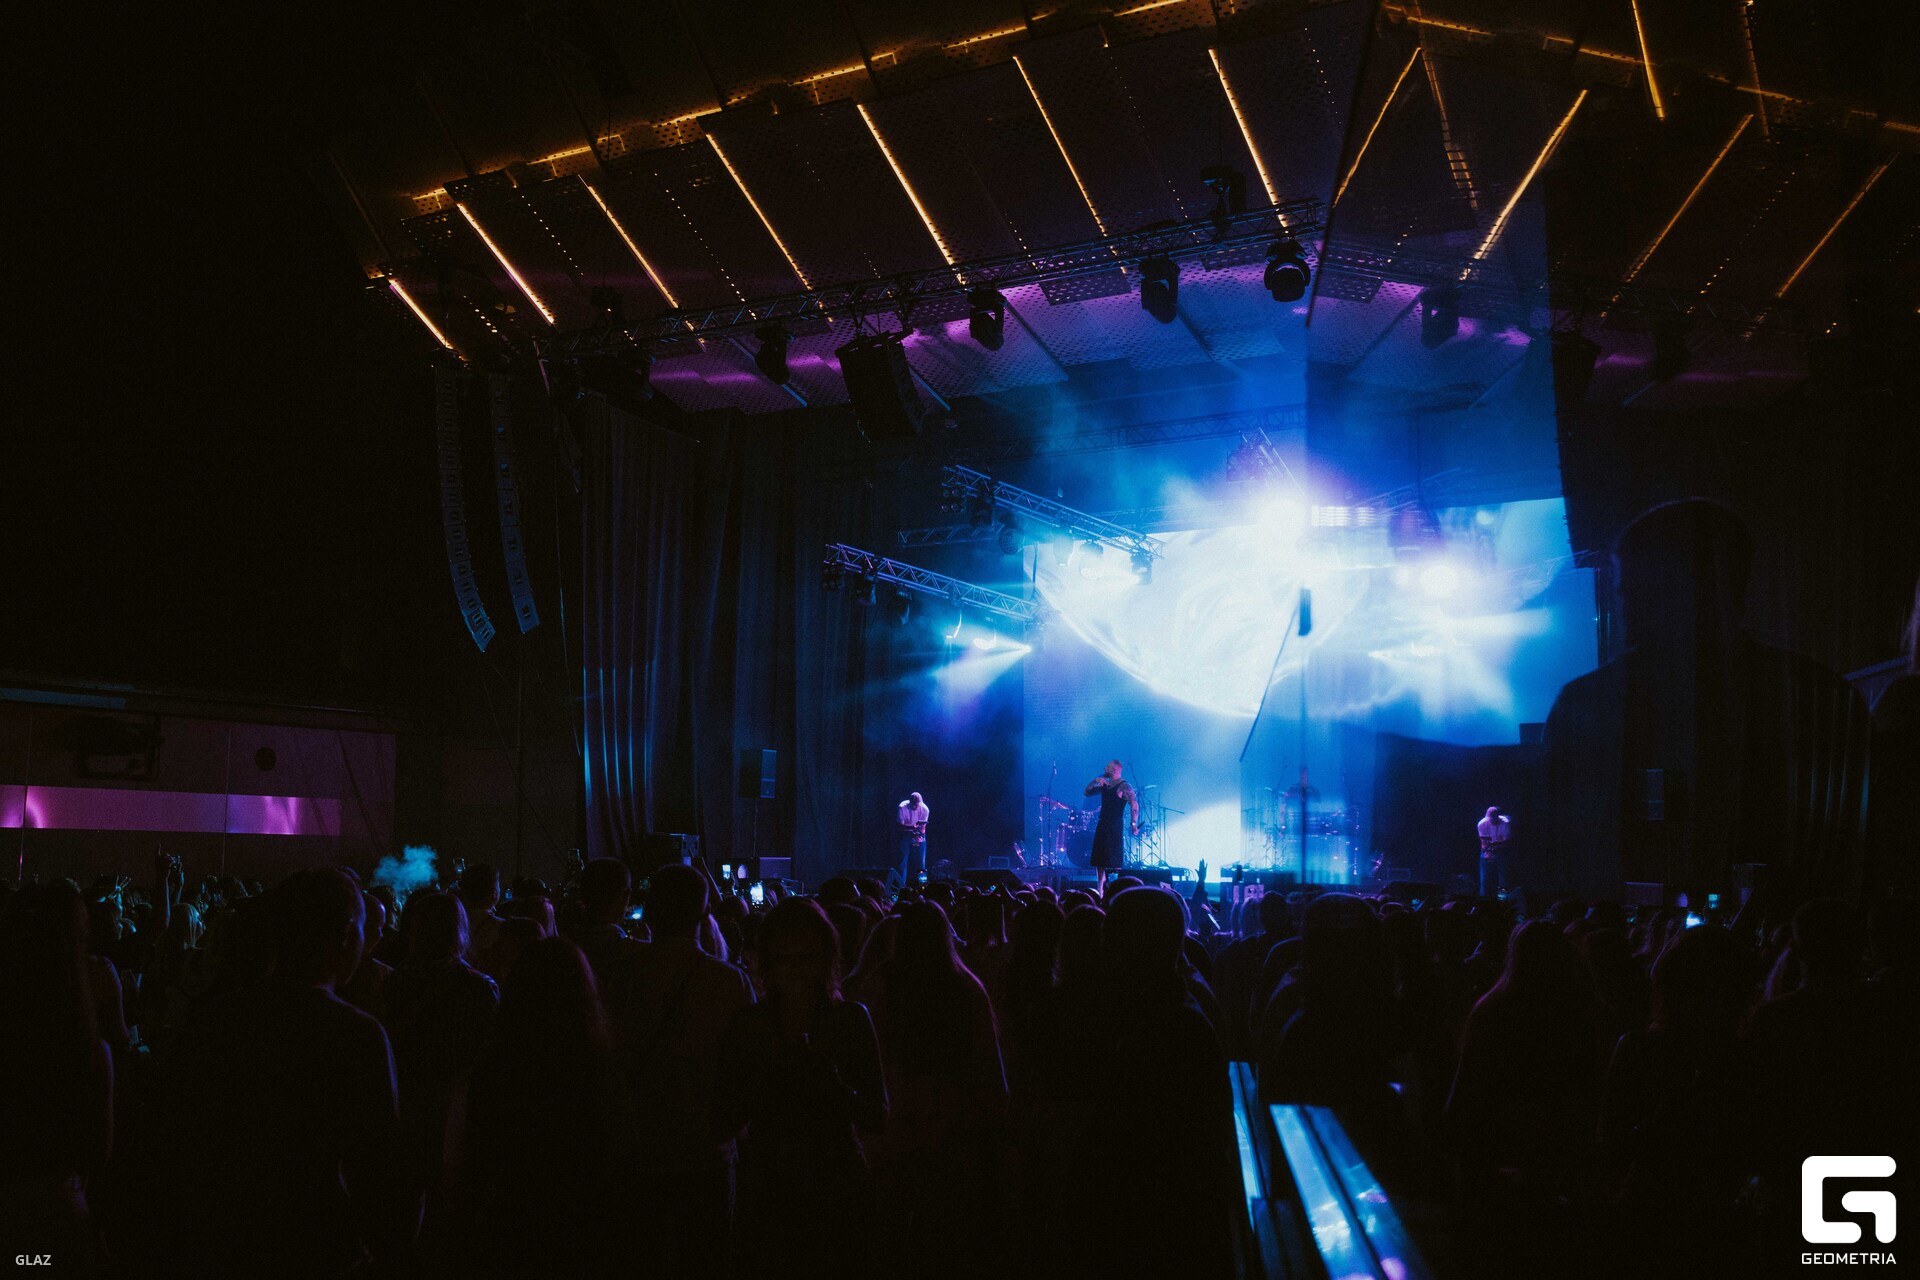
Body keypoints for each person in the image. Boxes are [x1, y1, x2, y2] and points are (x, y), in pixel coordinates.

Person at [442, 936, 642, 1279]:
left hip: (506, 1233)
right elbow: (623, 1155)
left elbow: (460, 1169)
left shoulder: (487, 1077)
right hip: (585, 1232)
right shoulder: (601, 1073)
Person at [715, 899, 887, 1280]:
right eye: (784, 959)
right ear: (768, 962)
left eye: (804, 958)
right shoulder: (749, 1025)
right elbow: (721, 1119)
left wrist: (833, 1087)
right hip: (772, 1191)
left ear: (824, 959)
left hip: (832, 1186)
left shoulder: (849, 1020)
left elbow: (878, 1115)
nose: (794, 970)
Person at [1082, 761, 1139, 893]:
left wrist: (1133, 824)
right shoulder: (1105, 785)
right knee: (1099, 858)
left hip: (1114, 824)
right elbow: (1087, 792)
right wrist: (1094, 781)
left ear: (1114, 770)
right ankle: (1100, 888)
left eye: (1107, 767)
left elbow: (1134, 805)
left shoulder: (1124, 786)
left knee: (1114, 857)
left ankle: (1117, 889)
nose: (1104, 768)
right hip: (1102, 823)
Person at [1476, 805, 1512, 899]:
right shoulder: (1481, 824)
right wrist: (1487, 853)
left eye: (1493, 819)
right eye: (1489, 819)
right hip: (1487, 849)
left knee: (1503, 878)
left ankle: (1502, 901)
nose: (1491, 821)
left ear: (1497, 817)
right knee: (1484, 879)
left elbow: (1507, 842)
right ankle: (1483, 900)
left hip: (1502, 849)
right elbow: (1483, 842)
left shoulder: (1505, 823)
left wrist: (1496, 850)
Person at [897, 792, 930, 886]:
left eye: (917, 804)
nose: (915, 806)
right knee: (903, 862)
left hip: (919, 834)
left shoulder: (925, 809)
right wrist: (912, 827)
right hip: (905, 834)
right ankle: (901, 886)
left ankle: (922, 886)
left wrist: (919, 836)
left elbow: (923, 827)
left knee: (921, 862)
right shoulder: (902, 807)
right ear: (910, 802)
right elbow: (899, 825)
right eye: (914, 804)